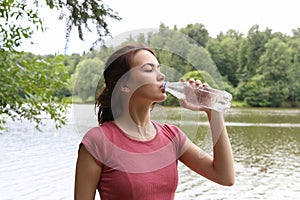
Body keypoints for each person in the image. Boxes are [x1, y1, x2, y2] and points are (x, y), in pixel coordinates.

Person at [74, 43, 235, 200]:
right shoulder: (97, 142)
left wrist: (213, 111)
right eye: (149, 69)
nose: (161, 76)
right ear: (124, 85)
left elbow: (224, 176)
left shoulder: (172, 136)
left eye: (159, 69)